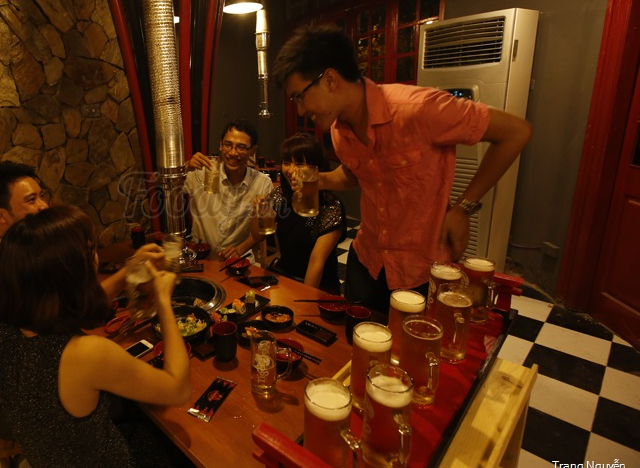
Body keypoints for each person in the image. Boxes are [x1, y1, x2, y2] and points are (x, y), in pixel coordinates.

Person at [271, 23, 532, 314]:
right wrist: (320, 180)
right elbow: (358, 173)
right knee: (357, 339)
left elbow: (516, 132)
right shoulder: (338, 131)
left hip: (422, 270)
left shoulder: (419, 109)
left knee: (416, 343)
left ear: (330, 80)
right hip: (367, 262)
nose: (300, 110)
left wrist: (463, 208)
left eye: (299, 96)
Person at [0, 205, 192, 468]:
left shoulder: (0, 329)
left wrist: (38, 403)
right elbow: (178, 390)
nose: (96, 257)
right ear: (70, 274)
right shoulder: (86, 353)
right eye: (90, 251)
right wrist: (164, 301)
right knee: (187, 445)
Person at [0, 162, 162, 440]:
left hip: (25, 373)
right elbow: (75, 308)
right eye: (31, 200)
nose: (43, 206)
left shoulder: (18, 250)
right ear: (0, 215)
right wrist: (131, 273)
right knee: (126, 405)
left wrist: (125, 259)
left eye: (41, 196)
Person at [252, 133, 346, 293]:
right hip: (283, 276)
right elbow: (258, 235)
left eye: (300, 164)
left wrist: (303, 299)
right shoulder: (281, 194)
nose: (291, 170)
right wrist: (258, 213)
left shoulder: (331, 206)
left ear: (316, 168)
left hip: (318, 287)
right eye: (287, 163)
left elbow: (316, 261)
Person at [184, 119, 274, 259]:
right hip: (200, 256)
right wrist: (185, 167)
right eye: (228, 145)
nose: (232, 153)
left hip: (238, 259)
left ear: (252, 151)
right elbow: (156, 181)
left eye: (241, 147)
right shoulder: (202, 171)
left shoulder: (262, 183)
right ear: (221, 145)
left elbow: (263, 231)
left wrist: (240, 249)